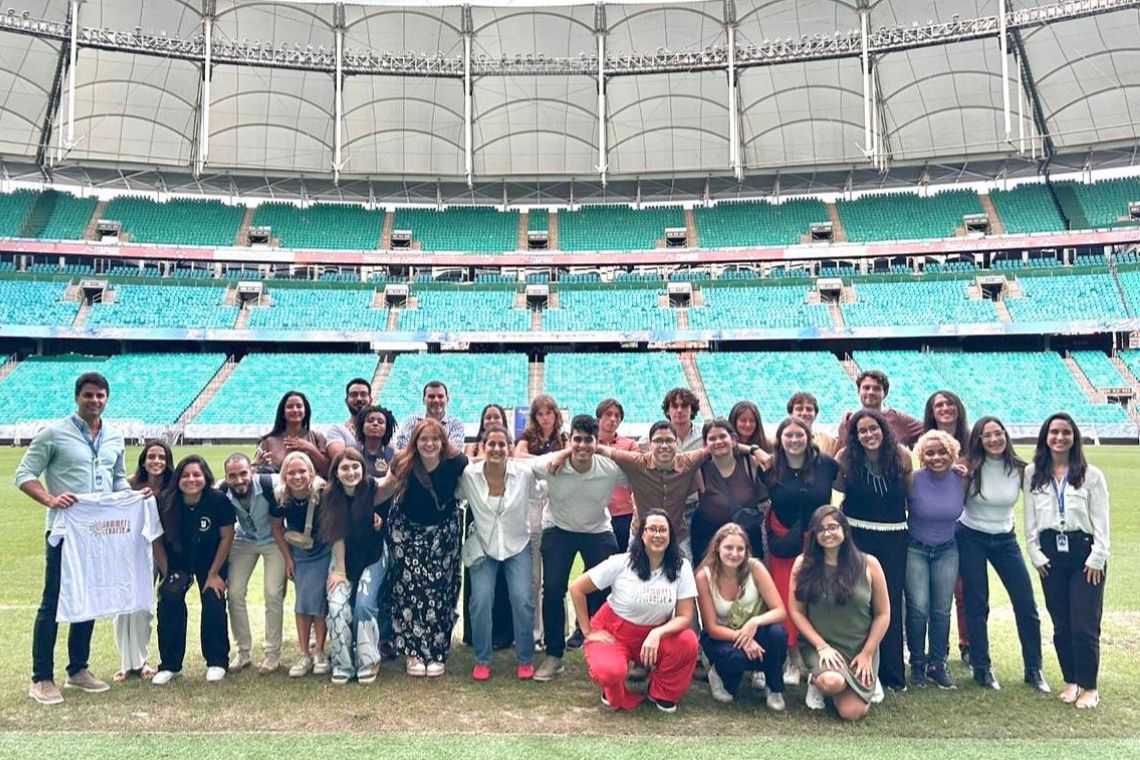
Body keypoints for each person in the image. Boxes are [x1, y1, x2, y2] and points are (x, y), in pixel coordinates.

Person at [17, 371, 131, 705]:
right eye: (88, 395)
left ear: (107, 399)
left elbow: (118, 480)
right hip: (66, 531)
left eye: (100, 396)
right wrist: (50, 499)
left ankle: (78, 669)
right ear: (77, 398)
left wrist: (136, 500)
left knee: (89, 597)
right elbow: (24, 475)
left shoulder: (115, 436)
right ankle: (41, 677)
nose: (95, 401)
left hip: (99, 533)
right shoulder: (53, 434)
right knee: (53, 600)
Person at [571, 509, 700, 713]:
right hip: (615, 631)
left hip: (654, 636)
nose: (657, 535)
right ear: (641, 534)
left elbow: (685, 616)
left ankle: (661, 691)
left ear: (670, 536)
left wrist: (657, 632)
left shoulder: (681, 567)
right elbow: (577, 588)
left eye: (663, 530)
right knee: (609, 671)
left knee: (688, 642)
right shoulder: (621, 562)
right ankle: (613, 687)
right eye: (652, 529)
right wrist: (587, 631)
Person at [529, 415, 625, 681]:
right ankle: (554, 654)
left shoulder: (609, 468)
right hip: (559, 528)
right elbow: (523, 467)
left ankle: (604, 646)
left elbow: (638, 472)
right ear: (569, 441)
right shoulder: (552, 465)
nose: (582, 446)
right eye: (577, 440)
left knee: (607, 589)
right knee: (554, 589)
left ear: (597, 442)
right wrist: (562, 455)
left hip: (597, 530)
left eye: (588, 440)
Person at [1024, 413, 1109, 710]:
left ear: (1074, 437)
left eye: (1065, 432)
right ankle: (1071, 680)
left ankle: (1090, 686)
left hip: (1084, 554)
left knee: (1085, 624)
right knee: (1061, 623)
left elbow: (1101, 521)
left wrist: (1098, 557)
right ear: (1045, 437)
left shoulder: (1091, 475)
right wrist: (1035, 553)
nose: (1059, 437)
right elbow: (1030, 519)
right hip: (1050, 554)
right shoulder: (1034, 472)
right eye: (1053, 432)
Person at [959, 416, 1048, 692]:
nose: (994, 439)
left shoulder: (1022, 469)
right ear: (979, 440)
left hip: (1005, 539)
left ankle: (1034, 669)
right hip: (971, 536)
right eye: (987, 436)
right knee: (977, 602)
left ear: (1006, 436)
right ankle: (982, 667)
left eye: (998, 434)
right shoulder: (970, 467)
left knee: (1026, 603)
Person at [379, 418, 469, 677]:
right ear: (414, 442)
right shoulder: (402, 462)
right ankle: (414, 653)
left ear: (443, 442)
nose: (429, 444)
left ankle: (437, 651)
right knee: (408, 591)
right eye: (423, 439)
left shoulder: (457, 463)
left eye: (434, 439)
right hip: (406, 533)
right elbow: (385, 490)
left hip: (444, 535)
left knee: (441, 592)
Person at [833, 408, 912, 692]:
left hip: (893, 538)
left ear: (884, 429)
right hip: (857, 538)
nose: (868, 435)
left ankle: (892, 673)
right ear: (854, 436)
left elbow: (911, 496)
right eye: (862, 431)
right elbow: (835, 489)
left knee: (888, 602)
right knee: (859, 602)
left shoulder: (901, 456)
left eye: (873, 428)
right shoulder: (846, 459)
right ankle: (859, 666)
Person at [790, 506, 889, 720]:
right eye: (821, 529)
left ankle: (862, 678)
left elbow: (883, 614)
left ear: (845, 529)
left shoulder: (870, 565)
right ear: (814, 535)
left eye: (833, 527)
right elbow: (796, 612)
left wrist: (867, 653)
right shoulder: (802, 564)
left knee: (852, 713)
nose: (827, 533)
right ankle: (818, 681)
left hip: (859, 648)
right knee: (832, 682)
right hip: (822, 646)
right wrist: (821, 646)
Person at [457, 425, 539, 681]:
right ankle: (482, 659)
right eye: (491, 444)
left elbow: (547, 482)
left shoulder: (523, 474)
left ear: (510, 448)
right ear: (482, 447)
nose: (496, 449)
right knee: (480, 600)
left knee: (522, 599)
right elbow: (451, 490)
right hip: (483, 546)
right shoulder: (469, 475)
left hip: (517, 545)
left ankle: (525, 658)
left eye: (502, 445)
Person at [762, 416, 839, 687]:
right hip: (785, 544)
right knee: (786, 601)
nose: (794, 441)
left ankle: (818, 657)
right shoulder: (770, 468)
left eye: (799, 435)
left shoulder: (827, 465)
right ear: (779, 441)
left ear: (808, 438)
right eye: (788, 436)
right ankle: (792, 660)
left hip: (819, 542)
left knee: (819, 600)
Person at [152, 456, 235, 685]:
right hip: (177, 560)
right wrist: (168, 573)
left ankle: (217, 661)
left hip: (211, 559)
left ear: (205, 477)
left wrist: (214, 574)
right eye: (186, 475)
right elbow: (156, 540)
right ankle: (170, 664)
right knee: (169, 598)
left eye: (196, 475)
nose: (191, 479)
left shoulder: (218, 500)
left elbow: (227, 536)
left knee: (213, 597)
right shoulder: (165, 501)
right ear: (178, 479)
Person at [696, 523, 788, 709]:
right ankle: (718, 674)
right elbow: (711, 627)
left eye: (740, 549)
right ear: (717, 548)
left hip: (754, 631)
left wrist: (755, 621)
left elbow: (780, 611)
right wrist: (744, 639)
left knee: (777, 634)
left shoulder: (755, 568)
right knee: (735, 663)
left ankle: (774, 686)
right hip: (721, 636)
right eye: (728, 548)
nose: (734, 553)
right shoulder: (703, 576)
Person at [322, 449, 389, 685]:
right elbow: (337, 535)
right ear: (336, 473)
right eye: (345, 468)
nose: (351, 472)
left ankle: (368, 660)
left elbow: (392, 482)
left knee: (364, 604)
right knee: (337, 604)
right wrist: (340, 572)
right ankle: (342, 663)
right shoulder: (330, 495)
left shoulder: (371, 488)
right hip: (342, 560)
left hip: (373, 557)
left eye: (355, 467)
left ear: (363, 468)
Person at [905, 430, 965, 689]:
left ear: (951, 453)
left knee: (941, 610)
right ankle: (917, 662)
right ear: (921, 455)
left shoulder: (961, 479)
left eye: (942, 452)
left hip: (947, 550)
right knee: (918, 608)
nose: (936, 457)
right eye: (929, 453)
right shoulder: (913, 479)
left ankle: (937, 664)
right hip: (915, 549)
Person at [219, 453, 286, 675]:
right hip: (244, 539)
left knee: (272, 593)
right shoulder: (222, 490)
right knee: (235, 592)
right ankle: (243, 652)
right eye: (232, 476)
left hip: (273, 540)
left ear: (253, 471)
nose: (239, 480)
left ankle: (272, 654)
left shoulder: (270, 483)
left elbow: (299, 482)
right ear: (226, 476)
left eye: (243, 474)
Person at [458, 403, 516, 655]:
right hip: (477, 514)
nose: (492, 420)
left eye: (497, 417)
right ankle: (473, 633)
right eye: (488, 417)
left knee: (502, 578)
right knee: (477, 572)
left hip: (505, 516)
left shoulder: (505, 446)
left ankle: (503, 634)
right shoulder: (472, 447)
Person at [114, 439, 174, 682]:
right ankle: (126, 663)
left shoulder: (173, 486)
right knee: (123, 609)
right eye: (151, 457)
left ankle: (141, 661)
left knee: (143, 607)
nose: (156, 461)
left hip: (161, 552)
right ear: (143, 460)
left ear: (168, 461)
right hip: (129, 553)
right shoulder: (128, 485)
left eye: (161, 457)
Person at [514, 395, 569, 647]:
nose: (545, 418)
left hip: (557, 504)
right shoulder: (527, 439)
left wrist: (546, 462)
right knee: (534, 576)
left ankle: (558, 631)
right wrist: (551, 461)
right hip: (533, 507)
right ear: (534, 417)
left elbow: (570, 459)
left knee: (556, 577)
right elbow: (518, 459)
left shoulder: (564, 439)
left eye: (549, 413)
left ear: (556, 415)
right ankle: (535, 632)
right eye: (540, 414)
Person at [270, 451, 330, 678]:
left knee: (319, 601)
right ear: (284, 475)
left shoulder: (322, 492)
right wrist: (287, 558)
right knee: (304, 601)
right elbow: (277, 527)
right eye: (291, 472)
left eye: (302, 471)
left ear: (311, 472)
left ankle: (320, 651)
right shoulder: (282, 496)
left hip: (322, 550)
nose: (297, 476)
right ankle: (305, 653)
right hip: (300, 553)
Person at [922, 389, 971, 666]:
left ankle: (968, 645)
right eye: (938, 404)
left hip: (967, 525)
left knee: (964, 590)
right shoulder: (923, 437)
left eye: (950, 402)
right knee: (933, 593)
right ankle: (938, 647)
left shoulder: (971, 440)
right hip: (932, 529)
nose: (945, 408)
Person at [693, 418, 769, 565]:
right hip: (709, 538)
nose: (718, 441)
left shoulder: (750, 462)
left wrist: (753, 449)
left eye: (722, 436)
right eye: (712, 438)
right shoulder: (700, 470)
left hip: (746, 538)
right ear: (705, 444)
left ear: (733, 439)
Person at [596, 398, 639, 552]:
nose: (613, 419)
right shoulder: (588, 443)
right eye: (608, 414)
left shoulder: (629, 445)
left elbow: (637, 468)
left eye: (617, 416)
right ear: (598, 418)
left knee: (621, 561)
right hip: (596, 513)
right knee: (596, 564)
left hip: (623, 513)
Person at [839, 370, 924, 448]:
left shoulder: (898, 419)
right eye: (866, 388)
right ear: (858, 391)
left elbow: (929, 427)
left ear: (885, 393)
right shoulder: (848, 422)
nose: (871, 392)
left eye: (876, 389)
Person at [255, 390, 329, 476]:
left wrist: (310, 449)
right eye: (290, 407)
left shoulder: (317, 438)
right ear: (283, 412)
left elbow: (328, 471)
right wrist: (260, 466)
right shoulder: (268, 441)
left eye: (299, 406)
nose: (295, 410)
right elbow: (254, 473)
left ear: (305, 411)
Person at [394, 380, 466, 450]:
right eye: (431, 396)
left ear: (447, 400)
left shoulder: (456, 424)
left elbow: (453, 450)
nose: (436, 400)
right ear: (423, 400)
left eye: (440, 396)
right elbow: (402, 446)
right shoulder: (412, 421)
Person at [640, 388, 704, 453]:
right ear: (667, 411)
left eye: (684, 406)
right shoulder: (654, 436)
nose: (679, 410)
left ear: (692, 410)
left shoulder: (703, 436)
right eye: (674, 406)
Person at [325, 378, 373, 459]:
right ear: (346, 401)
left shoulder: (381, 428)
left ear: (370, 400)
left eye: (363, 394)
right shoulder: (337, 430)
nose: (359, 399)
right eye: (354, 395)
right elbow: (342, 460)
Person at [787, 391, 838, 457]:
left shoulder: (827, 442)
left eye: (809, 409)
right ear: (791, 414)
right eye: (799, 409)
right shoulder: (779, 440)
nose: (804, 413)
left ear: (815, 415)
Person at [354, 405, 397, 479]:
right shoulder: (354, 454)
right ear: (362, 427)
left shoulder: (394, 455)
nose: (375, 424)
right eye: (370, 421)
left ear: (386, 429)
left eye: (380, 422)